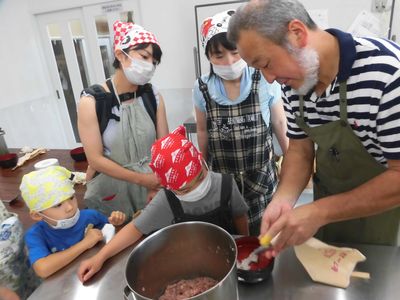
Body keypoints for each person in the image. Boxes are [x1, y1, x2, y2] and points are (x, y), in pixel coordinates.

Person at [228, 0, 400, 254]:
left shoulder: (388, 74)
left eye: (265, 63)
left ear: (297, 33)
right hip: (326, 213)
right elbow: (300, 150)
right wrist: (283, 200)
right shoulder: (293, 82)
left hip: (381, 219)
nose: (269, 78)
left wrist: (320, 211)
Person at [77, 126, 249, 283]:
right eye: (186, 190)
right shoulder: (167, 200)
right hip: (190, 267)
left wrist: (245, 245)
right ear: (169, 187)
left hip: (229, 262)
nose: (198, 189)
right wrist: (100, 257)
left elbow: (240, 216)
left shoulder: (225, 184)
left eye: (201, 177)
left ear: (202, 162)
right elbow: (134, 229)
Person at [193, 10, 289, 236]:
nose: (229, 62)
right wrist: (203, 170)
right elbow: (202, 130)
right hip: (224, 186)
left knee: (265, 242)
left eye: (235, 53)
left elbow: (279, 122)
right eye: (219, 56)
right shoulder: (202, 88)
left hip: (262, 183)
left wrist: (294, 165)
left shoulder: (263, 78)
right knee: (230, 241)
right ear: (208, 56)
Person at [78, 21, 169, 220]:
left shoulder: (152, 96)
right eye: (144, 56)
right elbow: (96, 159)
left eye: (154, 61)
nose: (149, 66)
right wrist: (143, 180)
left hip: (152, 190)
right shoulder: (92, 101)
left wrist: (157, 185)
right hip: (112, 192)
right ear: (120, 55)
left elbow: (164, 148)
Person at [19, 166, 126, 279]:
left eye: (71, 198)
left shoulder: (90, 216)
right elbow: (43, 269)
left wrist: (117, 224)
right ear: (37, 215)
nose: (70, 207)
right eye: (58, 205)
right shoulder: (36, 235)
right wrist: (85, 243)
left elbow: (113, 235)